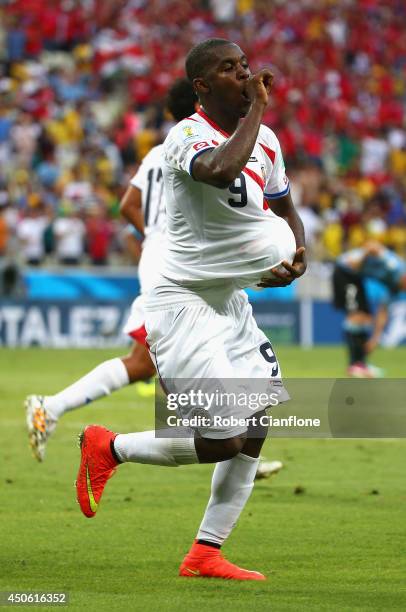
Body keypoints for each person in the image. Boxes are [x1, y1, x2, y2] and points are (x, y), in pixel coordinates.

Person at [75, 38, 306, 581]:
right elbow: (223, 171)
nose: (244, 75)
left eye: (245, 65)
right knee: (221, 437)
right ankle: (109, 446)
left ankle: (206, 553)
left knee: (255, 425)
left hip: (226, 295)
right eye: (229, 69)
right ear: (202, 86)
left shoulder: (267, 141)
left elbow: (286, 209)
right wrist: (259, 109)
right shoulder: (185, 138)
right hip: (180, 300)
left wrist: (299, 255)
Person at [25, 76, 282, 478]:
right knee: (162, 361)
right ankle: (218, 440)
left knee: (153, 363)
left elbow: (128, 203)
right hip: (182, 267)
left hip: (169, 258)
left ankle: (224, 438)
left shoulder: (162, 151)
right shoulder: (208, 150)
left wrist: (152, 237)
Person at [332, 240, 406, 377]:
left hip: (356, 277)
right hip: (345, 270)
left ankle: (360, 364)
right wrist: (360, 261)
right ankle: (355, 365)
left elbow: (383, 312)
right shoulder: (395, 266)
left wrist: (374, 340)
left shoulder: (396, 289)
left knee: (366, 319)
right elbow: (372, 246)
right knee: (357, 316)